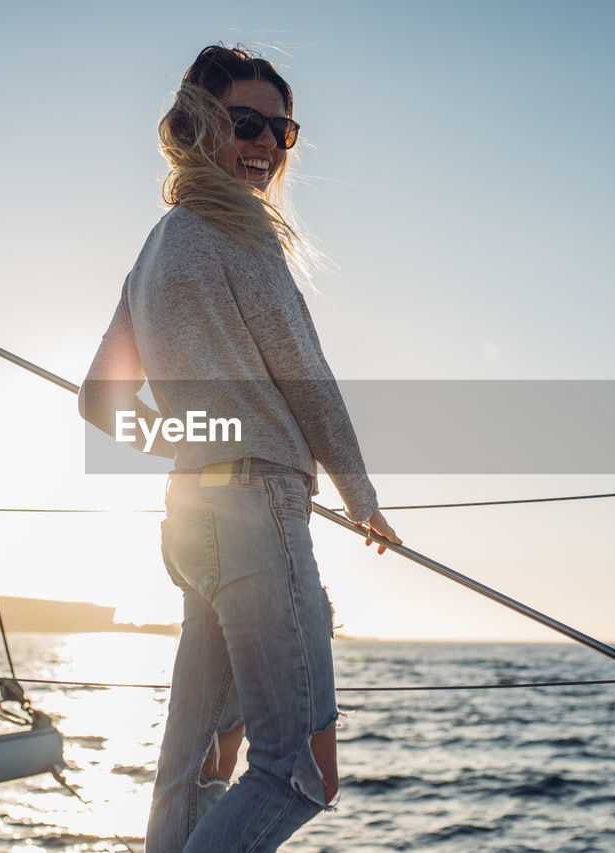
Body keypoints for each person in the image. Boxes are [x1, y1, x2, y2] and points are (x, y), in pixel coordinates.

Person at [79, 44, 400, 853]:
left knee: (192, 767)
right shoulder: (240, 232)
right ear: (197, 128)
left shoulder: (156, 247)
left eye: (281, 130)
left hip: (192, 519)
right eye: (246, 123)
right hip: (256, 513)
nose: (265, 143)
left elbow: (97, 400)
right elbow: (309, 380)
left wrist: (200, 441)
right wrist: (362, 497)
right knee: (299, 770)